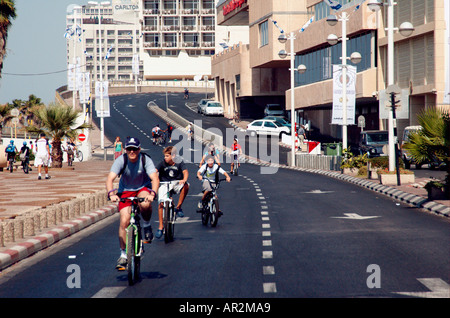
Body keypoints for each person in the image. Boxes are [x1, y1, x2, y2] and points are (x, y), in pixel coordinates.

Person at [106, 137, 159, 270]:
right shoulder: (121, 160)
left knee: (145, 204)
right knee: (124, 221)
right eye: (129, 149)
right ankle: (123, 254)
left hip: (142, 188)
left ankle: (146, 226)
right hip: (126, 191)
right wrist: (111, 194)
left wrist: (152, 194)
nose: (132, 151)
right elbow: (110, 178)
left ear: (139, 149)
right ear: (126, 149)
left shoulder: (145, 159)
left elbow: (154, 178)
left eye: (134, 149)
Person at [155, 146, 189, 239]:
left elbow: (185, 171)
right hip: (164, 184)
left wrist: (184, 179)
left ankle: (178, 207)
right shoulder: (162, 163)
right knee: (161, 203)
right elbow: (155, 171)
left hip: (177, 182)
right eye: (165, 156)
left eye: (167, 156)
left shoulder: (179, 162)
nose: (165, 158)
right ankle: (161, 227)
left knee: (186, 185)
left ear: (173, 156)